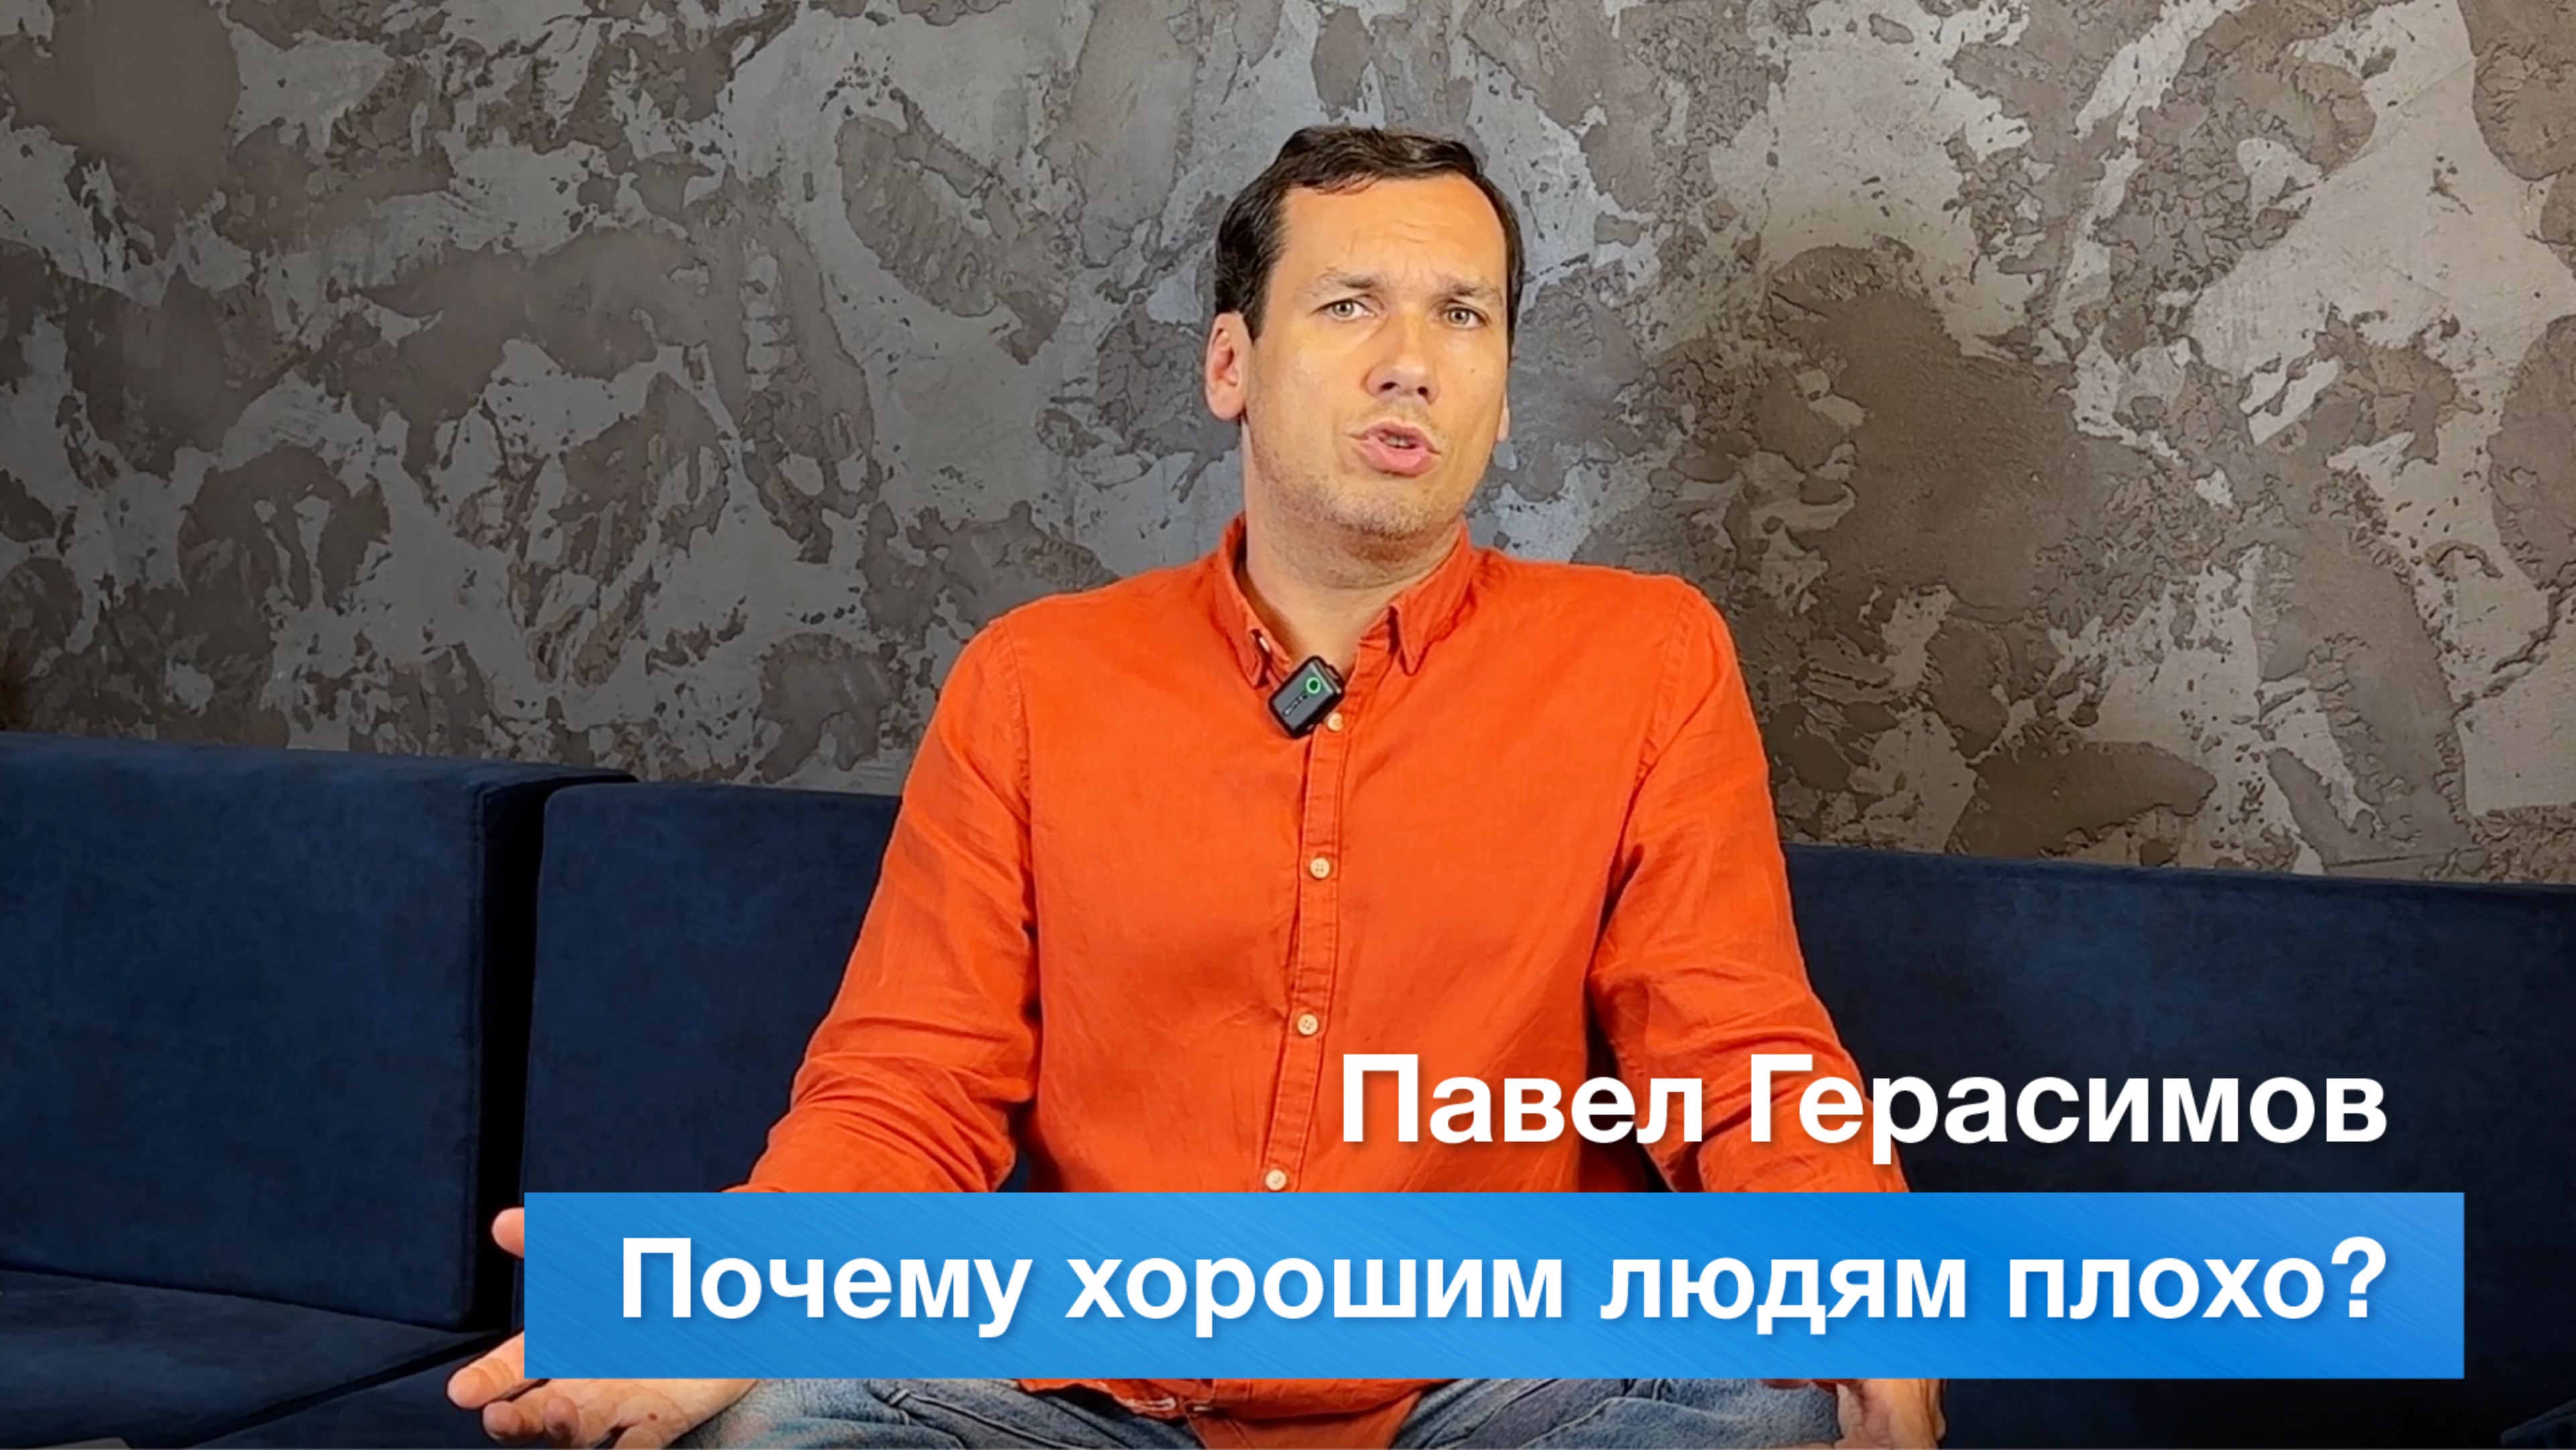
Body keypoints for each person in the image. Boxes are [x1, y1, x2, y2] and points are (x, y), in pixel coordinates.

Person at [448, 125, 1942, 1450]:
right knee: (777, 1418)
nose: (1411, 358)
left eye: (1462, 314)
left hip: (1502, 1389)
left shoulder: (1647, 656)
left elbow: (1734, 1049)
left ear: (1498, 390)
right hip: (1094, 1398)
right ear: (1230, 365)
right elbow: (910, 1086)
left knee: (1766, 1403)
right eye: (1348, 304)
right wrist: (741, 1295)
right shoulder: (1033, 679)